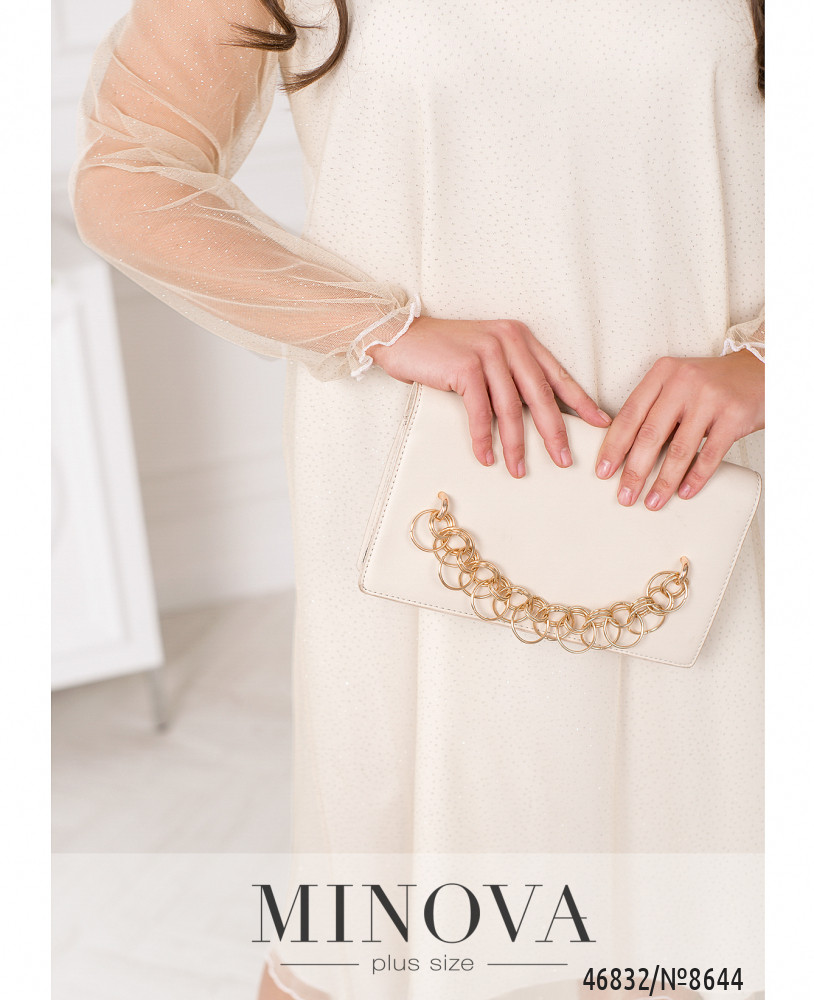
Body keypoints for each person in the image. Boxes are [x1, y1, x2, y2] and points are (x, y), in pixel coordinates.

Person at [68, 2, 765, 998]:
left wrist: (769, 362)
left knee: (698, 878)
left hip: (709, 477)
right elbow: (131, 173)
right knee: (395, 908)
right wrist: (384, 326)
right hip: (419, 477)